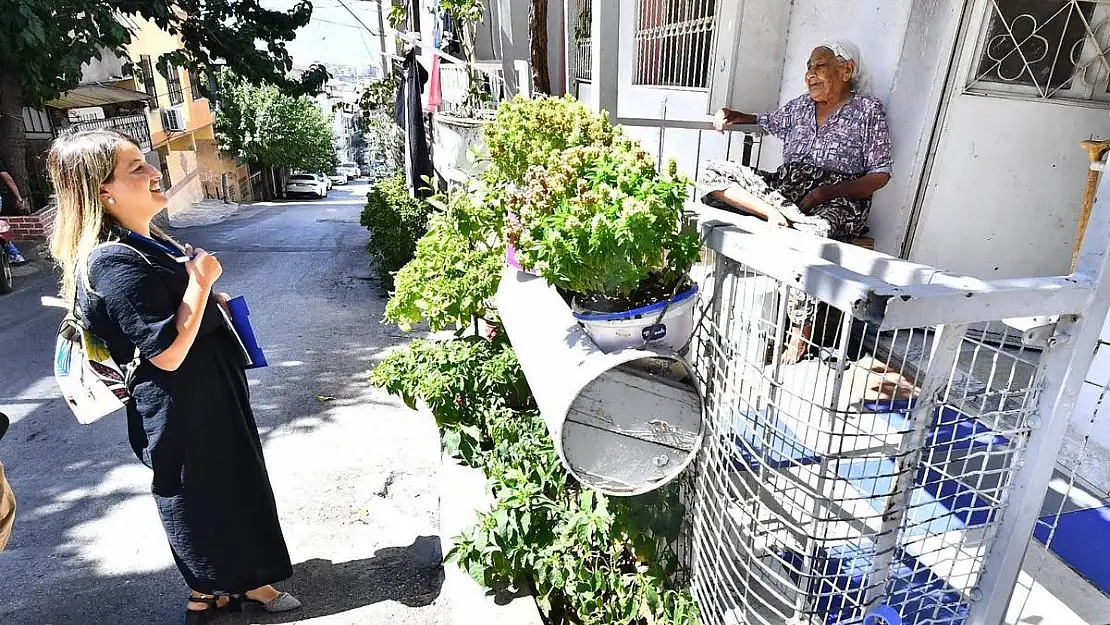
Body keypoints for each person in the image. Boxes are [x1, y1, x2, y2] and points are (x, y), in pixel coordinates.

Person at [47, 130, 301, 624]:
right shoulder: (112, 260)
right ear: (104, 192)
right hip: (178, 402)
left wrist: (208, 298)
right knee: (198, 490)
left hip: (205, 391)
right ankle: (226, 586)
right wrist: (202, 284)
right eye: (136, 168)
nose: (154, 172)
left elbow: (176, 312)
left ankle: (218, 589)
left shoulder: (147, 243)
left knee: (227, 479)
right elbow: (165, 352)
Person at [701, 41, 893, 362]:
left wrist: (827, 192)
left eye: (819, 66)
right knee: (711, 172)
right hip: (788, 189)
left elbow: (880, 175)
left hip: (838, 197)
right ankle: (772, 214)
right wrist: (732, 115)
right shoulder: (800, 106)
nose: (810, 75)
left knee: (811, 237)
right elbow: (764, 120)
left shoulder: (867, 111)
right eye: (808, 68)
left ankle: (799, 333)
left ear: (847, 70)